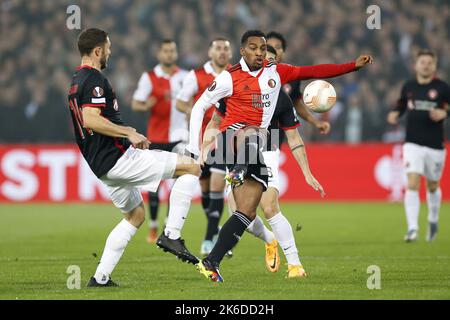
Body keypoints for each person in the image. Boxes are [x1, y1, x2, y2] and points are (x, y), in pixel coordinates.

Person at [188, 30, 373, 282]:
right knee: (254, 132)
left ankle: (212, 262)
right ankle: (239, 169)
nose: (259, 53)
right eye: (253, 48)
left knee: (246, 211)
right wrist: (194, 147)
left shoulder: (276, 72)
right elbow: (200, 106)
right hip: (232, 139)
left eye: (263, 49)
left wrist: (352, 66)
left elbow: (314, 71)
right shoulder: (228, 78)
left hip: (253, 146)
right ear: (242, 51)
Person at [67, 28, 199, 287]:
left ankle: (100, 277)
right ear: (97, 51)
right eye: (108, 47)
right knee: (191, 167)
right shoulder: (93, 79)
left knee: (135, 215)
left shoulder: (76, 80)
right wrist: (128, 132)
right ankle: (171, 234)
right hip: (118, 159)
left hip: (103, 167)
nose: (110, 51)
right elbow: (91, 119)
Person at [175, 38, 233, 256]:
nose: (222, 52)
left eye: (226, 49)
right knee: (207, 191)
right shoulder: (196, 75)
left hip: (224, 138)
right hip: (201, 140)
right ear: (210, 51)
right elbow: (180, 102)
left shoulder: (234, 75)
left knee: (217, 187)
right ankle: (215, 229)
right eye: (218, 48)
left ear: (230, 53)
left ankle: (209, 238)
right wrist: (191, 110)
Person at [387, 49, 449, 242]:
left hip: (435, 145)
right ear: (416, 65)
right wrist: (395, 113)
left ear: (434, 65)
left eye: (429, 63)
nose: (426, 65)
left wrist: (444, 114)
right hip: (412, 143)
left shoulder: (442, 87)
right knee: (412, 183)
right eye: (422, 62)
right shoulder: (409, 86)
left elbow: (448, 107)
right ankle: (412, 228)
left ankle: (432, 219)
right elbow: (402, 104)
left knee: (432, 185)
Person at [131, 39, 189, 243]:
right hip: (155, 137)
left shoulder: (185, 76)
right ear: (159, 54)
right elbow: (135, 104)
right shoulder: (149, 77)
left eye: (172, 50)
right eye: (166, 51)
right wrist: (147, 104)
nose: (170, 54)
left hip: (180, 136)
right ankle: (153, 225)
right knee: (153, 183)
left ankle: (168, 225)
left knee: (179, 183)